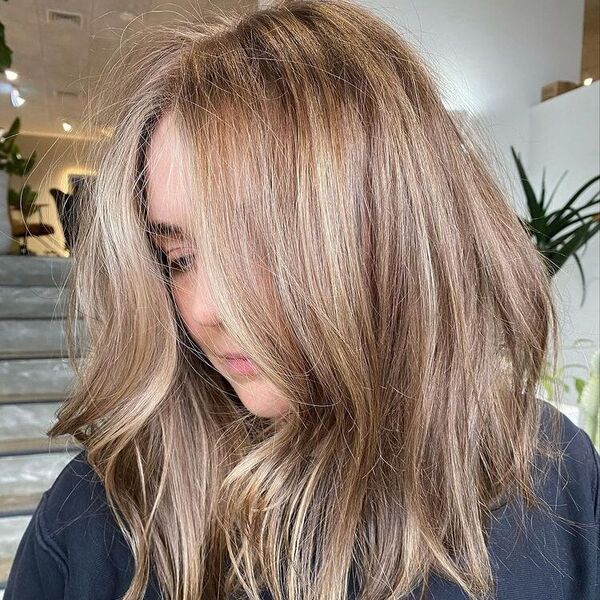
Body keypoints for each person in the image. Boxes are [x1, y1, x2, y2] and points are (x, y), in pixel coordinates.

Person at [4, 1, 599, 599]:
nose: (208, 309)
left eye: (264, 249)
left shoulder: (553, 474)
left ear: (396, 231)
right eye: (179, 258)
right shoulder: (101, 521)